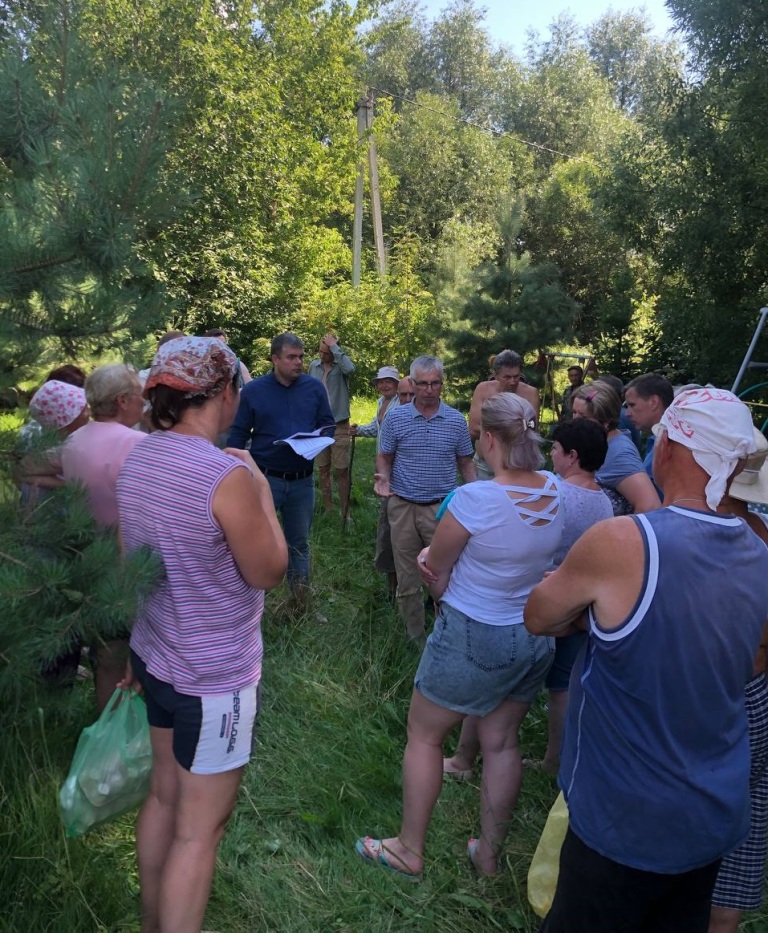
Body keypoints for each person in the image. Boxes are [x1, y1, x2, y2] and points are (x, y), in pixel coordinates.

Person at [524, 387, 768, 933]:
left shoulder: (623, 542)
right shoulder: (761, 553)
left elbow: (538, 616)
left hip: (624, 817)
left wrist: (582, 607)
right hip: (711, 813)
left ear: (671, 451)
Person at [116, 336, 288, 933]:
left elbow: (129, 564)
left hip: (157, 657)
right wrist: (262, 490)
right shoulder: (226, 475)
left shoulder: (137, 456)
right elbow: (269, 570)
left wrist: (139, 645)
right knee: (200, 828)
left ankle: (150, 921)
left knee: (163, 799)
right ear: (226, 392)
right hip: (214, 682)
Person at [356, 393, 562, 879]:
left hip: (473, 633)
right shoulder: (554, 489)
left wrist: (430, 568)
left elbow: (437, 570)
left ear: (488, 438)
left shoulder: (476, 499)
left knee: (424, 738)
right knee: (502, 742)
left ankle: (409, 848)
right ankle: (487, 855)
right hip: (532, 634)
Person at [443, 419, 612, 781]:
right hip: (579, 609)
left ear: (572, 456)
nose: (550, 455)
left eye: (556, 449)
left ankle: (464, 759)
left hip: (534, 604)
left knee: (493, 689)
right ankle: (555, 760)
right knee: (562, 687)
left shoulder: (555, 494)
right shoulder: (605, 504)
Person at [60, 364, 147, 710]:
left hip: (89, 563)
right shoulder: (138, 444)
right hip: (133, 567)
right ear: (124, 401)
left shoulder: (73, 440)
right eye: (140, 396)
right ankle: (149, 741)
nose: (145, 403)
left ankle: (107, 732)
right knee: (145, 657)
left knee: (106, 657)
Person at [709, 433, 768, 933]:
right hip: (759, 690)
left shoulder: (718, 540)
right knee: (748, 815)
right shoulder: (761, 534)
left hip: (724, 691)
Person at [375, 356, 476, 642]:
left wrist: (477, 494)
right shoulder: (397, 417)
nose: (429, 390)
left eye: (435, 383)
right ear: (412, 384)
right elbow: (385, 457)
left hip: (442, 510)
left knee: (444, 576)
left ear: (442, 384)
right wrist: (383, 478)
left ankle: (446, 635)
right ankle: (414, 641)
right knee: (407, 578)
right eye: (423, 384)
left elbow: (465, 462)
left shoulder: (456, 421)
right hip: (403, 505)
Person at [227, 333, 334, 597]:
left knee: (299, 544)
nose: (298, 362)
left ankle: (299, 601)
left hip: (302, 480)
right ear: (275, 359)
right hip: (265, 479)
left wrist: (313, 440)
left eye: (300, 357)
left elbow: (328, 424)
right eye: (291, 357)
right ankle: (249, 602)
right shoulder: (253, 391)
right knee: (254, 541)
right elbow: (237, 436)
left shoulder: (314, 388)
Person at [352, 366, 404, 598]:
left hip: (398, 463)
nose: (384, 386)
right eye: (380, 382)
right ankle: (392, 579)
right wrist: (359, 430)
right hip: (383, 464)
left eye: (389, 382)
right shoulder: (380, 402)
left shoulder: (403, 403)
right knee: (387, 511)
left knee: (394, 513)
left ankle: (401, 577)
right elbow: (377, 427)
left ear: (397, 383)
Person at [571, 381, 661, 515]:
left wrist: (616, 533)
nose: (575, 420)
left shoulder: (619, 452)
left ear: (606, 421)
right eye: (574, 413)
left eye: (583, 416)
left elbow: (650, 506)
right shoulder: (590, 443)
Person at [469, 350, 541, 480]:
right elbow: (473, 429)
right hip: (485, 466)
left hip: (519, 465)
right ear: (496, 375)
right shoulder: (483, 390)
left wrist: (494, 430)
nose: (513, 382)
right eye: (507, 377)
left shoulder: (531, 394)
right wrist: (512, 430)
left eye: (516, 376)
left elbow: (531, 428)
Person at [308, 334, 356, 515]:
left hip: (339, 424)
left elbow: (351, 369)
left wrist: (335, 347)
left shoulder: (341, 366)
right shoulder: (314, 366)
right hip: (319, 425)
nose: (322, 356)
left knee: (342, 470)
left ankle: (346, 512)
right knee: (323, 468)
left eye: (326, 353)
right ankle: (328, 508)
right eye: (320, 352)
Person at [624, 373, 675, 493]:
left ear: (654, 402)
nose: (627, 413)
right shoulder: (661, 439)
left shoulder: (671, 444)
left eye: (632, 405)